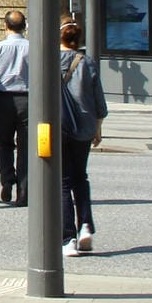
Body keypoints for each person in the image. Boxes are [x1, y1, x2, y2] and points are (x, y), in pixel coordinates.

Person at [57, 20, 108, 257]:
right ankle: (85, 225)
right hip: (85, 127)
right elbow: (99, 101)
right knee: (81, 177)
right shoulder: (87, 62)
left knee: (63, 181)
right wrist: (98, 127)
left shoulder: (50, 60)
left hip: (59, 125)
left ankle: (68, 239)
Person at [0, 9, 30, 205]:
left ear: (6, 26)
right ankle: (24, 191)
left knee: (3, 143)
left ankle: (7, 180)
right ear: (24, 27)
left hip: (3, 100)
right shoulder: (33, 46)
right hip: (29, 100)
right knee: (26, 147)